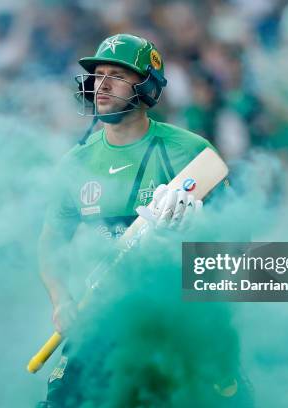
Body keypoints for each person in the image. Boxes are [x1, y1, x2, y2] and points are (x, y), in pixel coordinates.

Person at [36, 33, 250, 407]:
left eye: (116, 75)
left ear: (146, 86)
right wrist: (60, 300)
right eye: (97, 74)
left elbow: (236, 242)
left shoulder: (190, 151)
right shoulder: (75, 164)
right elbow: (51, 242)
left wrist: (196, 232)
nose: (101, 84)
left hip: (176, 318)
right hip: (101, 314)